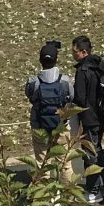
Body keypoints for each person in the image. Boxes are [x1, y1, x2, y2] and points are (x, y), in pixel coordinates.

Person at [70, 35, 104, 203]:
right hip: (102, 115)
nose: (72, 54)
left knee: (89, 153)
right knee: (97, 149)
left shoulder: (83, 71)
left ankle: (94, 189)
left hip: (90, 117)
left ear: (83, 52)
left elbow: (80, 99)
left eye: (74, 51)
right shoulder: (98, 66)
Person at [25, 40, 74, 180]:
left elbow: (30, 97)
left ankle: (44, 197)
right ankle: (68, 197)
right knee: (64, 164)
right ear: (56, 60)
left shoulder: (33, 82)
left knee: (41, 164)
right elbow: (71, 97)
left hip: (39, 127)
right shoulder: (65, 80)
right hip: (60, 126)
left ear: (40, 60)